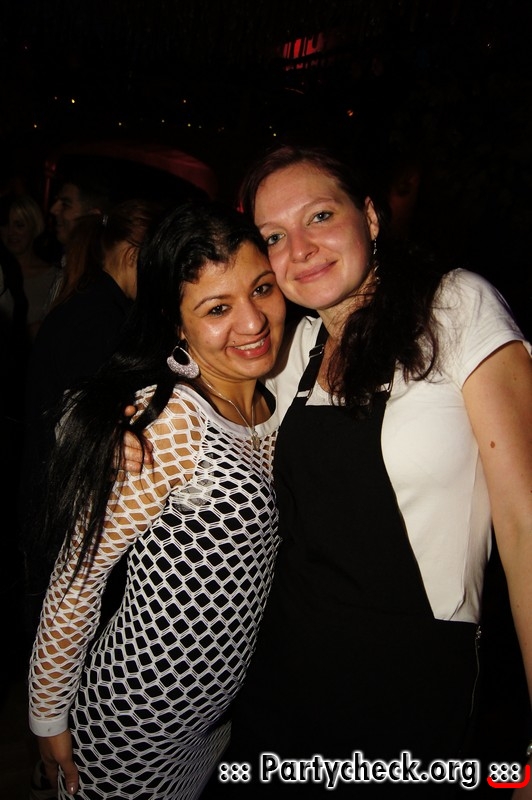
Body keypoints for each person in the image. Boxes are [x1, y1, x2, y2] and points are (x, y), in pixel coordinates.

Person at [126, 144, 532, 796]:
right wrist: (136, 420)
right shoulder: (296, 344)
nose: (301, 249)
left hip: (406, 688)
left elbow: (523, 522)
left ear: (368, 216)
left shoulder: (456, 305)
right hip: (281, 675)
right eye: (274, 236)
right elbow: (210, 387)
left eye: (320, 216)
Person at [27, 199, 285, 800]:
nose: (252, 321)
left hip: (215, 723)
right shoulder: (173, 421)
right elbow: (79, 576)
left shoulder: (273, 397)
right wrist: (47, 716)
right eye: (217, 308)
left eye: (261, 288)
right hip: (133, 725)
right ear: (175, 323)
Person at [0, 193, 61, 340]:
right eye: (5, 224)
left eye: (19, 225)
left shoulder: (55, 278)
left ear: (34, 228)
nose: (11, 232)